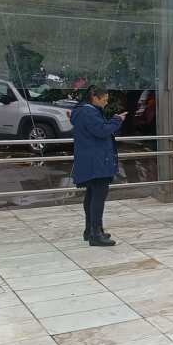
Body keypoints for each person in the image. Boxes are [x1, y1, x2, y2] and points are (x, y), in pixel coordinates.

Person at [71, 85, 125, 247]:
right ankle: (96, 233)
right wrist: (117, 120)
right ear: (95, 97)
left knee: (91, 195)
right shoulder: (89, 112)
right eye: (105, 100)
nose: (106, 103)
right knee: (98, 197)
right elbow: (101, 131)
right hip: (97, 161)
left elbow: (97, 129)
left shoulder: (82, 111)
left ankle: (91, 230)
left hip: (91, 160)